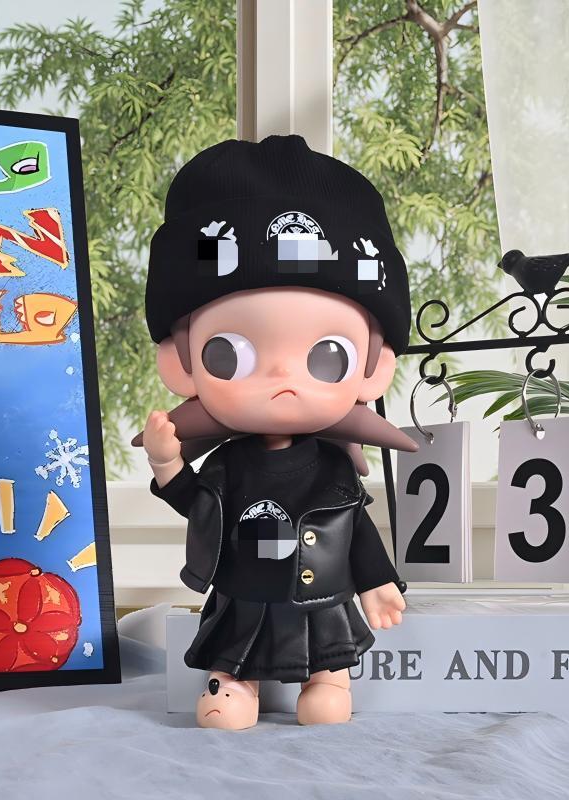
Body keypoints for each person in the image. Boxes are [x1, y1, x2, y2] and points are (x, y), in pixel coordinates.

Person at [140, 134, 416, 729]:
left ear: (374, 368)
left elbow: (356, 530)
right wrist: (166, 465)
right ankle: (234, 681)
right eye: (229, 353)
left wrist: (377, 582)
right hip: (244, 593)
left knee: (327, 653)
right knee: (236, 648)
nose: (284, 378)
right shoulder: (229, 465)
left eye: (327, 358)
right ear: (180, 363)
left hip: (321, 598)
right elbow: (197, 503)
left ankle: (329, 676)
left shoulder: (333, 469)